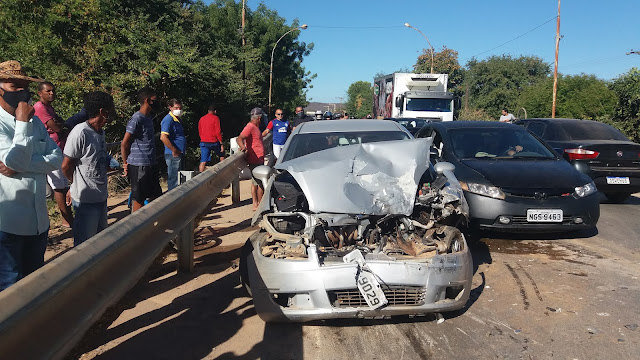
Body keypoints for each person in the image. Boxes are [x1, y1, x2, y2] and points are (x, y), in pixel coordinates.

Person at [0, 60, 63, 291]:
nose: (20, 91)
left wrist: (22, 165)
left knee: (33, 286)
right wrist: (22, 122)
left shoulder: (35, 121)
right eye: (13, 85)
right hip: (8, 224)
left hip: (38, 222)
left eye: (23, 86)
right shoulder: (20, 121)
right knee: (9, 290)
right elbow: (14, 161)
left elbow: (57, 158)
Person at [61, 91, 114, 246]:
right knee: (85, 246)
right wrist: (74, 185)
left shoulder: (100, 132)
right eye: (110, 109)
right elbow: (66, 165)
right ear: (102, 112)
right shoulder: (80, 132)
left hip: (101, 196)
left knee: (101, 241)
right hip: (85, 200)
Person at [33, 81, 73, 229]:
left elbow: (59, 123)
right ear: (40, 93)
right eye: (48, 91)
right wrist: (61, 126)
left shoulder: (49, 108)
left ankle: (68, 218)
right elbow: (56, 126)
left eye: (53, 91)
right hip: (49, 150)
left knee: (62, 183)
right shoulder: (40, 108)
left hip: (57, 149)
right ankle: (66, 219)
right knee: (59, 185)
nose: (52, 94)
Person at [121, 87, 163, 212]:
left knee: (156, 195)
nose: (156, 102)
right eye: (154, 100)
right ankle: (136, 226)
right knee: (139, 198)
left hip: (151, 163)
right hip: (139, 165)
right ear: (147, 100)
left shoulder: (149, 117)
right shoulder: (137, 118)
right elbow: (125, 143)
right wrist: (125, 163)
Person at [237, 107, 265, 210]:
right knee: (259, 182)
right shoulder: (250, 127)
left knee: (255, 182)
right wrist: (243, 147)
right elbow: (240, 138)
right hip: (255, 158)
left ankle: (256, 204)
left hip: (258, 158)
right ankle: (259, 204)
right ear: (259, 118)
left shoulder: (255, 128)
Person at [160, 98, 186, 191]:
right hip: (173, 154)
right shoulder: (168, 119)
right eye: (176, 108)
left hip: (179, 152)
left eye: (180, 108)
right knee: (174, 178)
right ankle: (172, 199)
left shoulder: (177, 119)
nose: (178, 110)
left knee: (179, 178)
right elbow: (163, 137)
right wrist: (174, 150)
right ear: (170, 108)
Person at [198, 103, 224, 172]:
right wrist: (221, 143)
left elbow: (200, 131)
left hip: (203, 142)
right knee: (221, 154)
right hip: (213, 141)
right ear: (215, 111)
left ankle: (200, 176)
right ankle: (223, 171)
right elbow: (218, 132)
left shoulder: (202, 119)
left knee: (203, 160)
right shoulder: (215, 118)